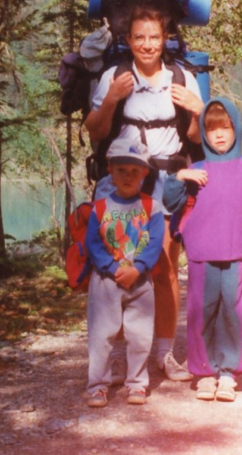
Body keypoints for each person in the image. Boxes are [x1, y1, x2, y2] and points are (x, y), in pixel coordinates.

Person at [84, 4, 203, 382]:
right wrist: (111, 99)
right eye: (139, 37)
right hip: (123, 181)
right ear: (128, 40)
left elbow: (196, 139)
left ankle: (163, 355)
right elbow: (96, 132)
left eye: (154, 37)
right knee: (116, 267)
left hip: (167, 182)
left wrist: (198, 113)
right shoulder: (113, 76)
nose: (147, 45)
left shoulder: (183, 77)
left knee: (165, 267)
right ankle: (119, 357)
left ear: (165, 39)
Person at [162, 98, 242, 402]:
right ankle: (205, 372)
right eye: (211, 129)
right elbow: (170, 202)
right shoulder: (197, 168)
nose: (219, 134)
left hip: (235, 252)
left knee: (233, 310)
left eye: (225, 128)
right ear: (204, 134)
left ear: (236, 129)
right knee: (201, 312)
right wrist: (179, 177)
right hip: (201, 254)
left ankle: (228, 371)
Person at [84, 137, 165, 407]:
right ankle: (97, 385)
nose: (128, 176)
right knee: (101, 335)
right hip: (106, 282)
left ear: (145, 173)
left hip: (140, 282)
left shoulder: (152, 207)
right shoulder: (100, 208)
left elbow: (154, 243)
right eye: (122, 170)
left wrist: (139, 268)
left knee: (140, 334)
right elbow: (93, 245)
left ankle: (137, 383)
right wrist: (112, 267)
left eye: (135, 171)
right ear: (110, 170)